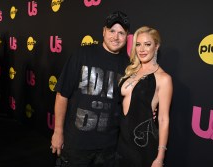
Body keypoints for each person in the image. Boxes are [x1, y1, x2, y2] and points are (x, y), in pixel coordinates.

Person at [50, 11, 130, 167]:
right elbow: (62, 95)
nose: (116, 36)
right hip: (76, 145)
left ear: (127, 36)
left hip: (108, 149)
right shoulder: (82, 54)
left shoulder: (128, 66)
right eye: (112, 31)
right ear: (104, 31)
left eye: (121, 33)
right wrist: (58, 132)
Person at [115, 26, 173, 167]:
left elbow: (163, 119)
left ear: (156, 46)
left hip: (142, 145)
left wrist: (160, 157)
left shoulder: (163, 78)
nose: (142, 49)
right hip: (120, 143)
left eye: (147, 45)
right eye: (138, 44)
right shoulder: (130, 70)